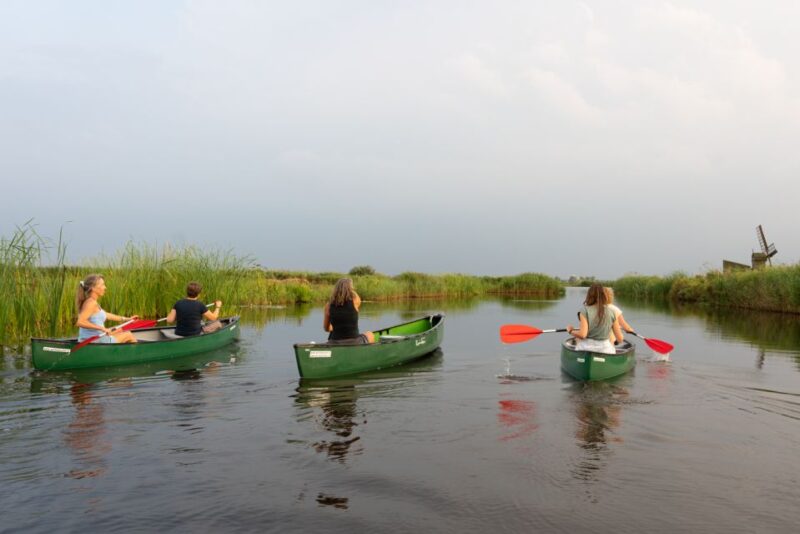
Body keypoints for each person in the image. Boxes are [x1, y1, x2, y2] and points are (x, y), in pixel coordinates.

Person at [75, 274, 138, 344]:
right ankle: (137, 354)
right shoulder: (91, 303)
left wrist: (127, 319)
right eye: (102, 285)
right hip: (95, 340)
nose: (105, 287)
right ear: (93, 288)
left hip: (96, 337)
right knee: (128, 335)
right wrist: (102, 328)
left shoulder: (92, 301)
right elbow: (80, 322)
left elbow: (106, 315)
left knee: (120, 329)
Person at [566, 283, 623, 355]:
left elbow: (583, 335)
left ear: (589, 295)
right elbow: (620, 339)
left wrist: (571, 331)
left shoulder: (584, 310)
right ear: (603, 296)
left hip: (586, 348)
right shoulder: (612, 311)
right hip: (605, 350)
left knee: (577, 340)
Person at [323, 278, 375, 344]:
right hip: (354, 341)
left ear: (335, 289)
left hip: (335, 342)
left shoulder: (328, 306)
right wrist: (351, 289)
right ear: (351, 289)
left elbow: (326, 328)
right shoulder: (355, 301)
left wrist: (337, 328)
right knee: (370, 334)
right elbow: (357, 297)